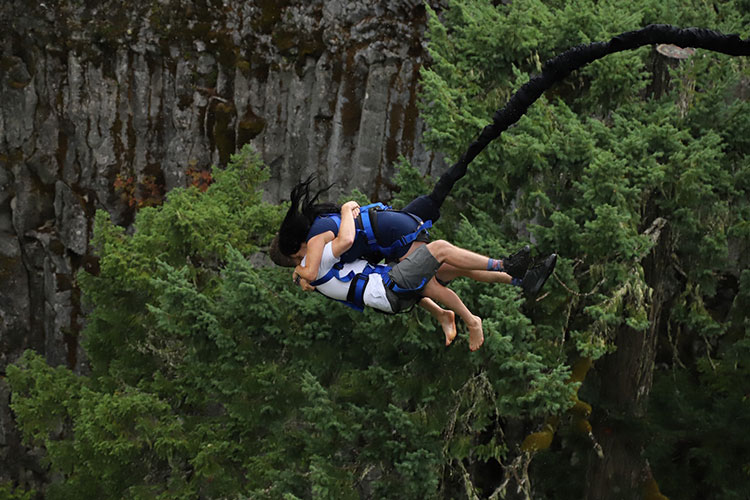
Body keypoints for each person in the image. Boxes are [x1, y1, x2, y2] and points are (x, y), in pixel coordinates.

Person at [294, 201, 558, 351]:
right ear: (299, 253)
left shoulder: (314, 270)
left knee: (453, 268)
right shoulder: (317, 262)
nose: (320, 237)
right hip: (389, 287)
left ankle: (523, 280)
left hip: (390, 288)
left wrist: (299, 277)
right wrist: (347, 207)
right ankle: (503, 269)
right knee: (440, 250)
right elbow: (346, 238)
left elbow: (316, 269)